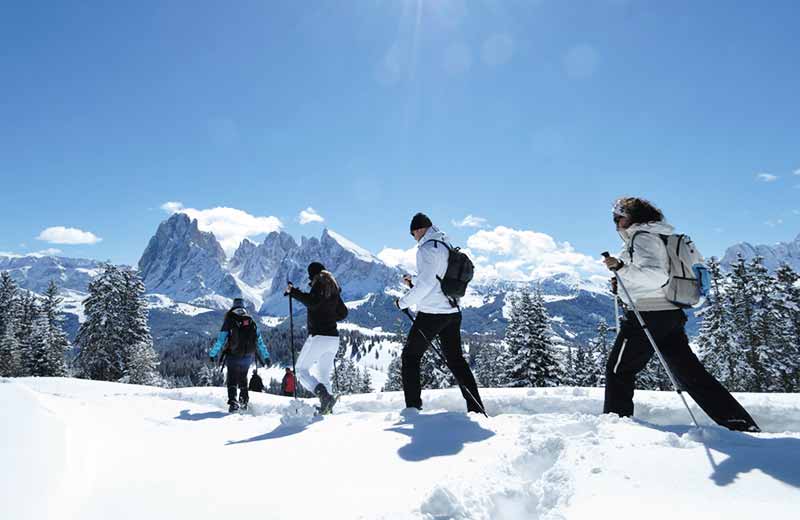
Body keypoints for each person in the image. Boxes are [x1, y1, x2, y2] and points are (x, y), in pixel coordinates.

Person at [602, 197, 760, 432]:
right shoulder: (661, 236)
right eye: (614, 219)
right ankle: (738, 422)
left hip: (647, 314)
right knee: (689, 373)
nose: (616, 224)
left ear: (633, 217)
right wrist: (623, 280)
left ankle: (615, 426)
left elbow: (656, 276)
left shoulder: (643, 237)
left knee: (619, 370)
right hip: (669, 313)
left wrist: (622, 268)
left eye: (619, 218)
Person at [396, 213, 485, 414]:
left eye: (413, 234)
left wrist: (404, 302)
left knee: (410, 357)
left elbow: (427, 284)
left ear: (418, 229)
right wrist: (412, 283)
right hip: (452, 312)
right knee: (456, 360)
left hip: (431, 314)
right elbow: (436, 279)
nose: (414, 238)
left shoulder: (426, 249)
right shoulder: (445, 246)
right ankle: (476, 407)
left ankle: (412, 408)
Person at [285, 262, 347, 414]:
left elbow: (312, 302)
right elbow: (343, 313)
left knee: (300, 370)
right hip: (333, 339)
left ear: (312, 274)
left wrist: (293, 292)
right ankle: (328, 406)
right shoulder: (333, 288)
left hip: (319, 336)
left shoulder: (319, 282)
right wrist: (328, 314)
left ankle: (324, 397)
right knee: (324, 375)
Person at [209, 298, 271, 413]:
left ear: (233, 306)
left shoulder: (230, 319)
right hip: (248, 356)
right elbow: (260, 341)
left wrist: (213, 354)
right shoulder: (250, 319)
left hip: (233, 355)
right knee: (243, 378)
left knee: (232, 378)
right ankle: (244, 402)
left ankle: (233, 402)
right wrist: (266, 356)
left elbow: (221, 340)